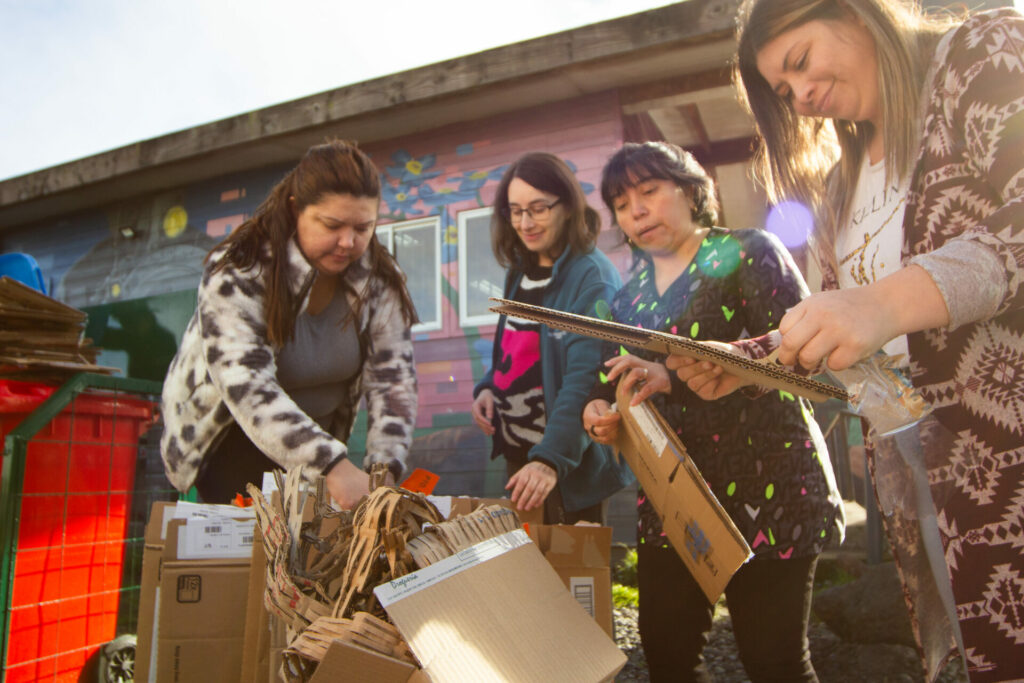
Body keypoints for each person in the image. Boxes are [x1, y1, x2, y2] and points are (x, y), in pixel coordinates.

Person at [671, 2, 1024, 680]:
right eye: (782, 91)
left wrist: (885, 301)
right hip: (933, 482)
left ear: (855, 13)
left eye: (799, 62)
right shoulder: (839, 186)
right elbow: (847, 338)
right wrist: (744, 365)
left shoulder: (977, 54)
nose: (801, 96)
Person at [582, 141, 845, 683]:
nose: (636, 209)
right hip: (675, 495)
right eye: (622, 201)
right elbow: (615, 379)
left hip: (769, 484)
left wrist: (674, 376)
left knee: (774, 662)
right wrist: (606, 412)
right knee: (666, 655)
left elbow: (802, 354)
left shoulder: (749, 251)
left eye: (649, 190)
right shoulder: (627, 298)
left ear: (691, 190)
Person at [160, 139, 418, 509]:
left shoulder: (381, 277)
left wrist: (384, 471)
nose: (348, 241)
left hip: (321, 450)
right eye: (332, 225)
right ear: (296, 210)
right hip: (235, 444)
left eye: (364, 227)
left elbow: (393, 378)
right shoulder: (240, 266)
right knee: (248, 560)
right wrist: (331, 465)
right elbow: (245, 382)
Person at [471, 152, 633, 523]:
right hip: (521, 457)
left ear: (568, 206)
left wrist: (550, 460)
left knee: (571, 578)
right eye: (515, 211)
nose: (525, 223)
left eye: (538, 208)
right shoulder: (520, 271)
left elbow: (586, 377)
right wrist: (487, 387)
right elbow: (513, 347)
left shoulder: (592, 278)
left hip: (564, 467)